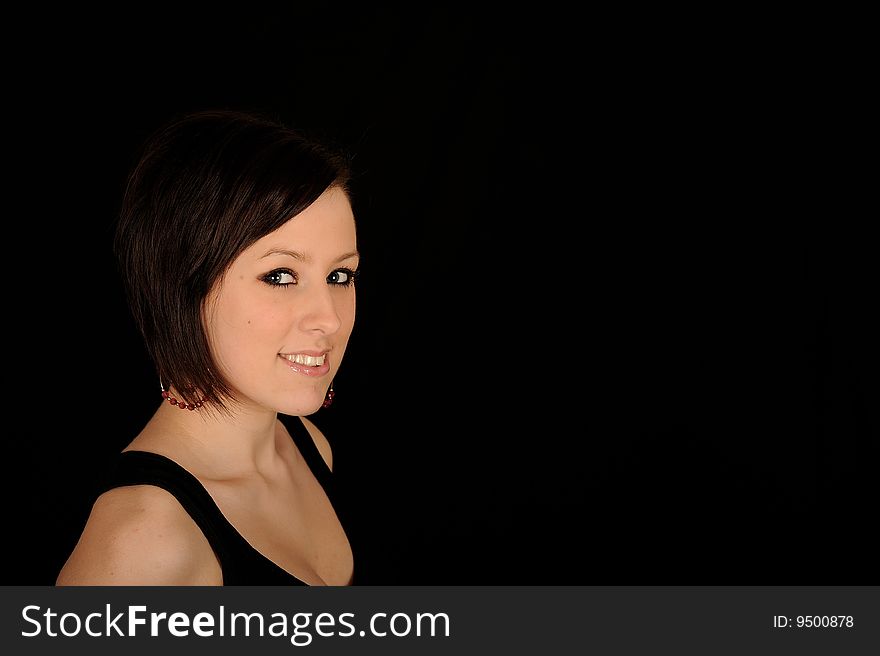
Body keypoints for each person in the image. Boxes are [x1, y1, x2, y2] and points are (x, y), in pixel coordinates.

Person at [56, 109, 358, 585]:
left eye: (340, 276)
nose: (330, 318)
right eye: (280, 276)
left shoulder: (307, 445)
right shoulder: (145, 542)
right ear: (183, 285)